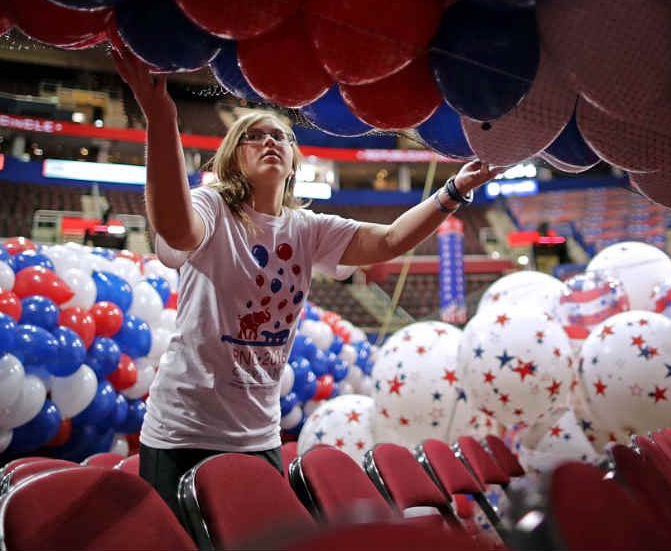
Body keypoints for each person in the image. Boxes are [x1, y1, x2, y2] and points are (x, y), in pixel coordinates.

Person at [110, 44, 501, 522]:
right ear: (234, 158)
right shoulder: (214, 207)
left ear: (295, 161)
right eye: (254, 137)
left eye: (280, 136)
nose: (270, 141)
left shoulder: (308, 228)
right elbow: (175, 228)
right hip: (183, 434)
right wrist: (161, 118)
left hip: (259, 438)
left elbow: (390, 241)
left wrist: (454, 190)